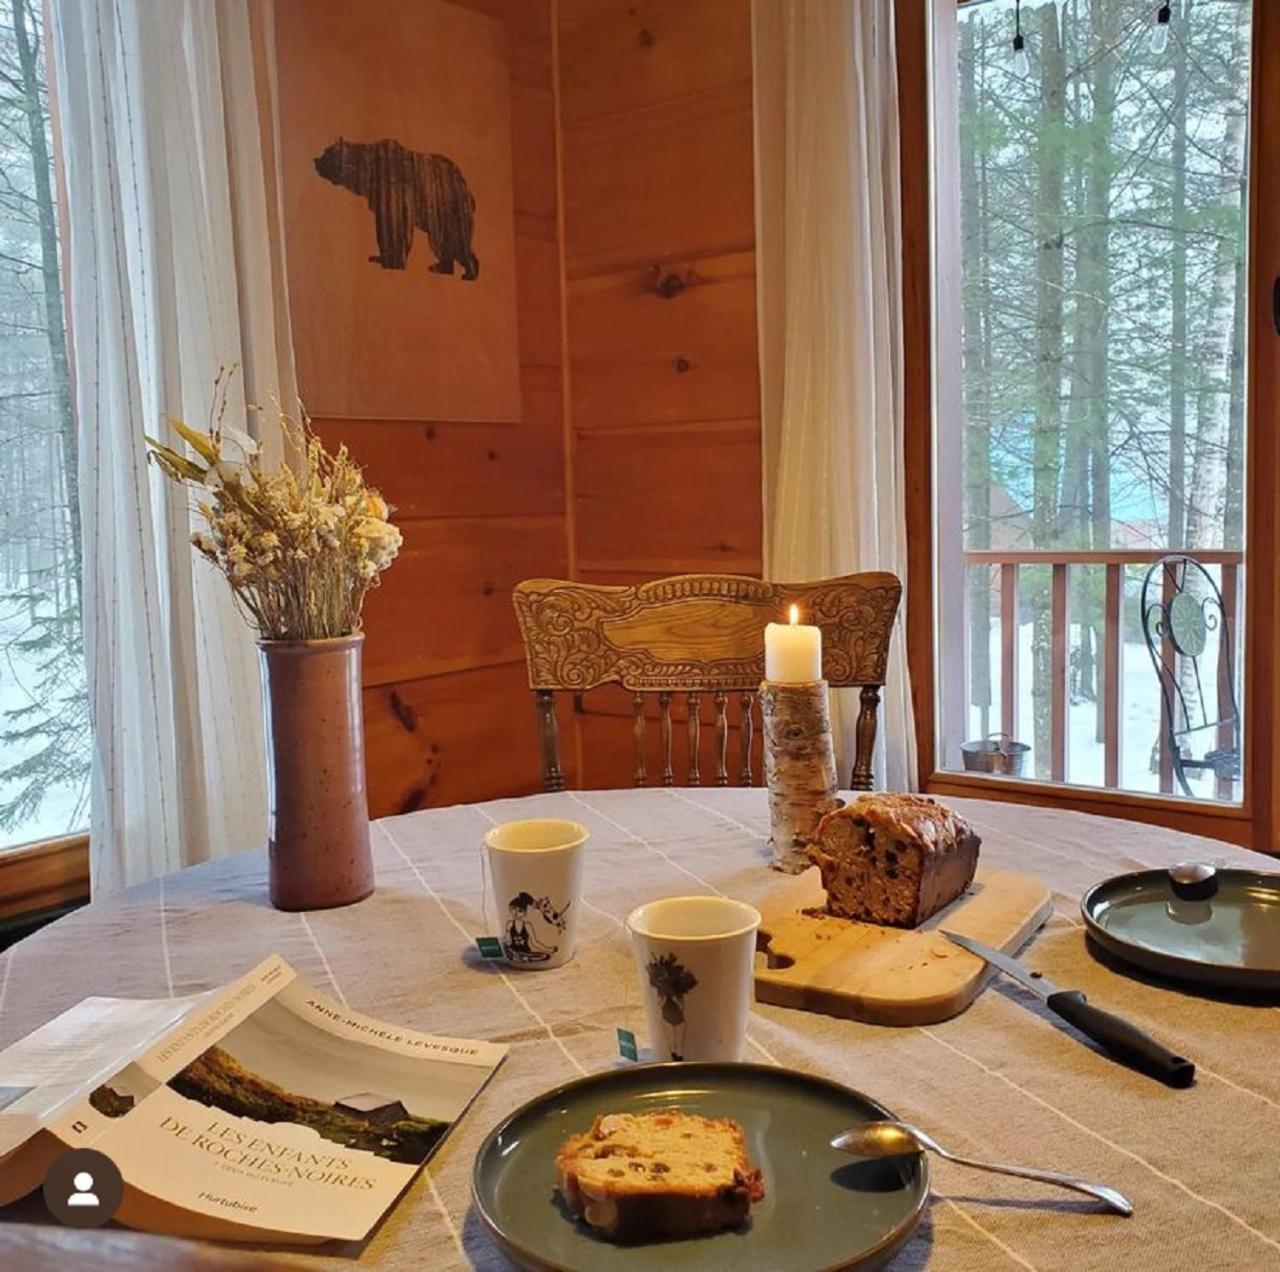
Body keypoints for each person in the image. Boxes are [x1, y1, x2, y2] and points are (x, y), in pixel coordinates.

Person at [504, 892, 556, 964]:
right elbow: (506, 939)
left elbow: (535, 942)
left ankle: (527, 959)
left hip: (526, 953)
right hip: (514, 952)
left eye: (520, 911)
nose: (515, 913)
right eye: (513, 909)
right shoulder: (510, 924)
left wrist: (546, 950)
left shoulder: (527, 926)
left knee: (545, 956)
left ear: (524, 913)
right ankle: (522, 958)